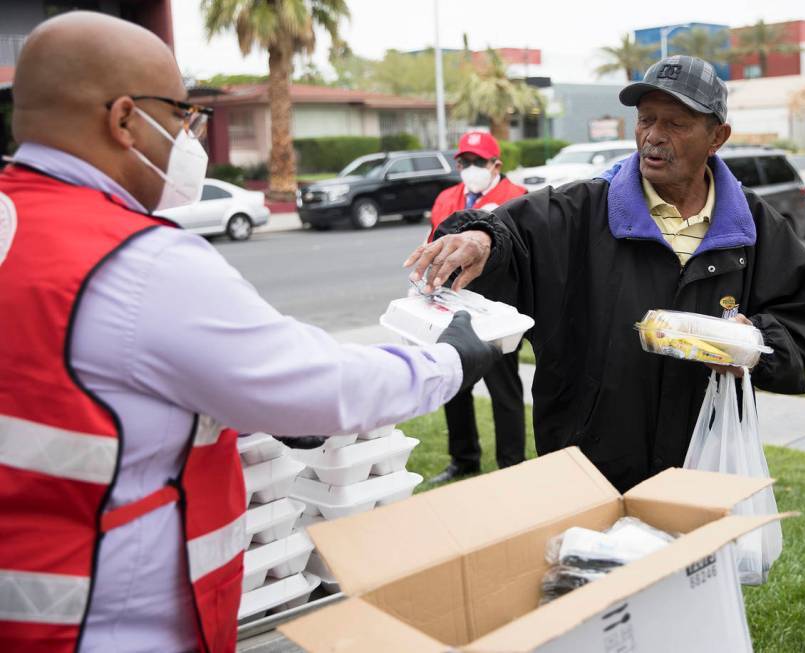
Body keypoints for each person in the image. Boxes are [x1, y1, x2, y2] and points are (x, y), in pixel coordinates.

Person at [0, 13, 499, 653]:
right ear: (124, 120)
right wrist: (450, 361)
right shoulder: (137, 264)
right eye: (181, 114)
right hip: (99, 622)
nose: (188, 136)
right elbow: (319, 387)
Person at [405, 55, 805, 493]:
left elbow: (798, 337)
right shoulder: (582, 212)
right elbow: (510, 233)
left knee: (695, 561)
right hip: (587, 474)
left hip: (703, 470)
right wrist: (480, 240)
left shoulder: (755, 228)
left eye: (676, 124)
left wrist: (752, 344)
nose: (654, 136)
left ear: (717, 136)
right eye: (646, 120)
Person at [426, 132, 528, 483]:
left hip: (497, 309)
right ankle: (463, 458)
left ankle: (511, 463)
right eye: (464, 162)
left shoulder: (516, 198)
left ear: (495, 165)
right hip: (452, 303)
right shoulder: (446, 198)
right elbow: (433, 244)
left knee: (504, 388)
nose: (469, 169)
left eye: (477, 162)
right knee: (454, 381)